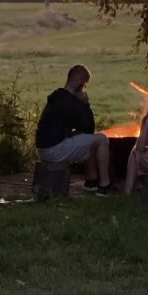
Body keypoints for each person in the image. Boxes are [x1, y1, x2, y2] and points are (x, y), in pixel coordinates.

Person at [35, 64, 115, 196]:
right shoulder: (69, 102)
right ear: (80, 83)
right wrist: (85, 103)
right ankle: (105, 186)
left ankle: (91, 181)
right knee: (101, 139)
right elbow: (90, 127)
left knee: (87, 138)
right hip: (53, 151)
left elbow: (82, 131)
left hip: (45, 148)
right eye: (85, 84)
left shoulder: (58, 95)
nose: (85, 88)